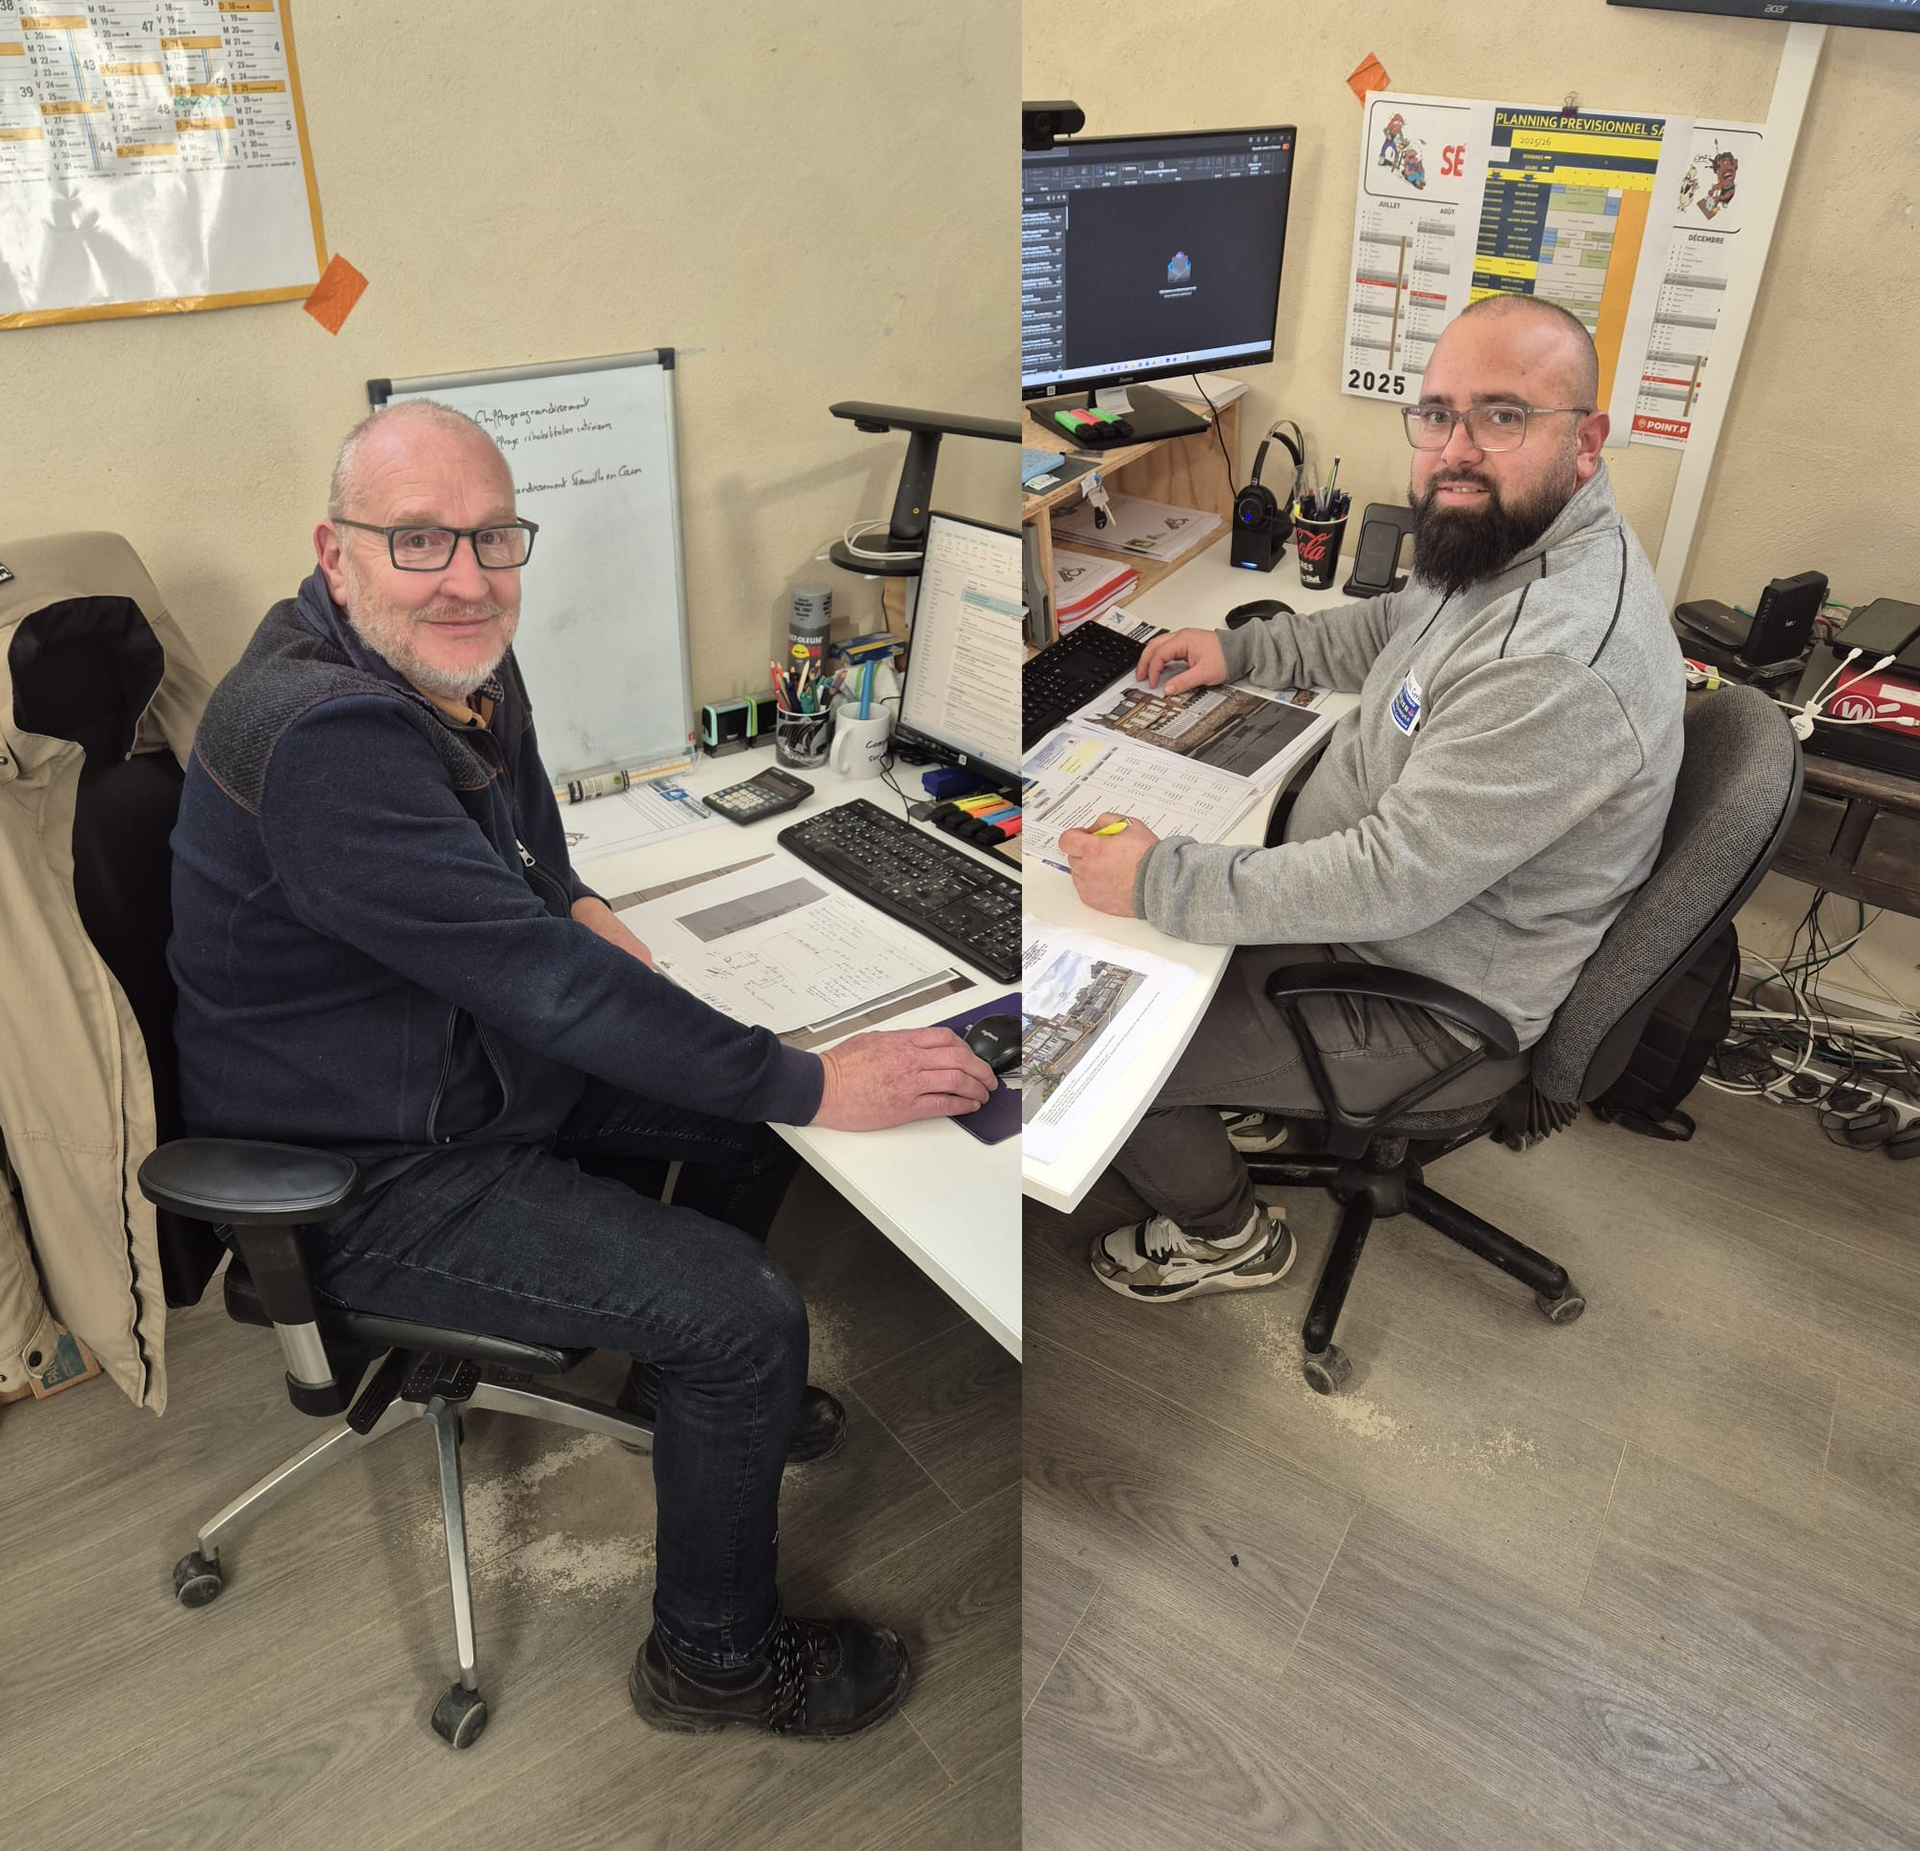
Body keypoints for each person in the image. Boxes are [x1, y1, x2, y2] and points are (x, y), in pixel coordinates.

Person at [169, 400, 998, 1739]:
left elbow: (529, 847)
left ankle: (685, 1395)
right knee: (747, 1303)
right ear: (336, 553)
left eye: (495, 538)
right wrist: (815, 1078)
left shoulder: (451, 658)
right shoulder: (326, 736)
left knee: (738, 1125)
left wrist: (571, 897)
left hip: (453, 1061)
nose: (469, 575)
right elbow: (546, 987)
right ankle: (713, 1659)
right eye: (418, 539)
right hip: (363, 1165)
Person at [1060, 295, 1683, 1304]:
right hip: (1375, 927)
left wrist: (1158, 880)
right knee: (1146, 945)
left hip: (1420, 996)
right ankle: (1245, 1089)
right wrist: (1246, 649)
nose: (1456, 450)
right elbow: (1403, 625)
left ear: (1588, 439)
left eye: (1502, 415)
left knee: (1102, 1054)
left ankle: (1227, 1236)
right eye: (1436, 414)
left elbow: (1393, 882)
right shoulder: (1521, 541)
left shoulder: (1559, 662)